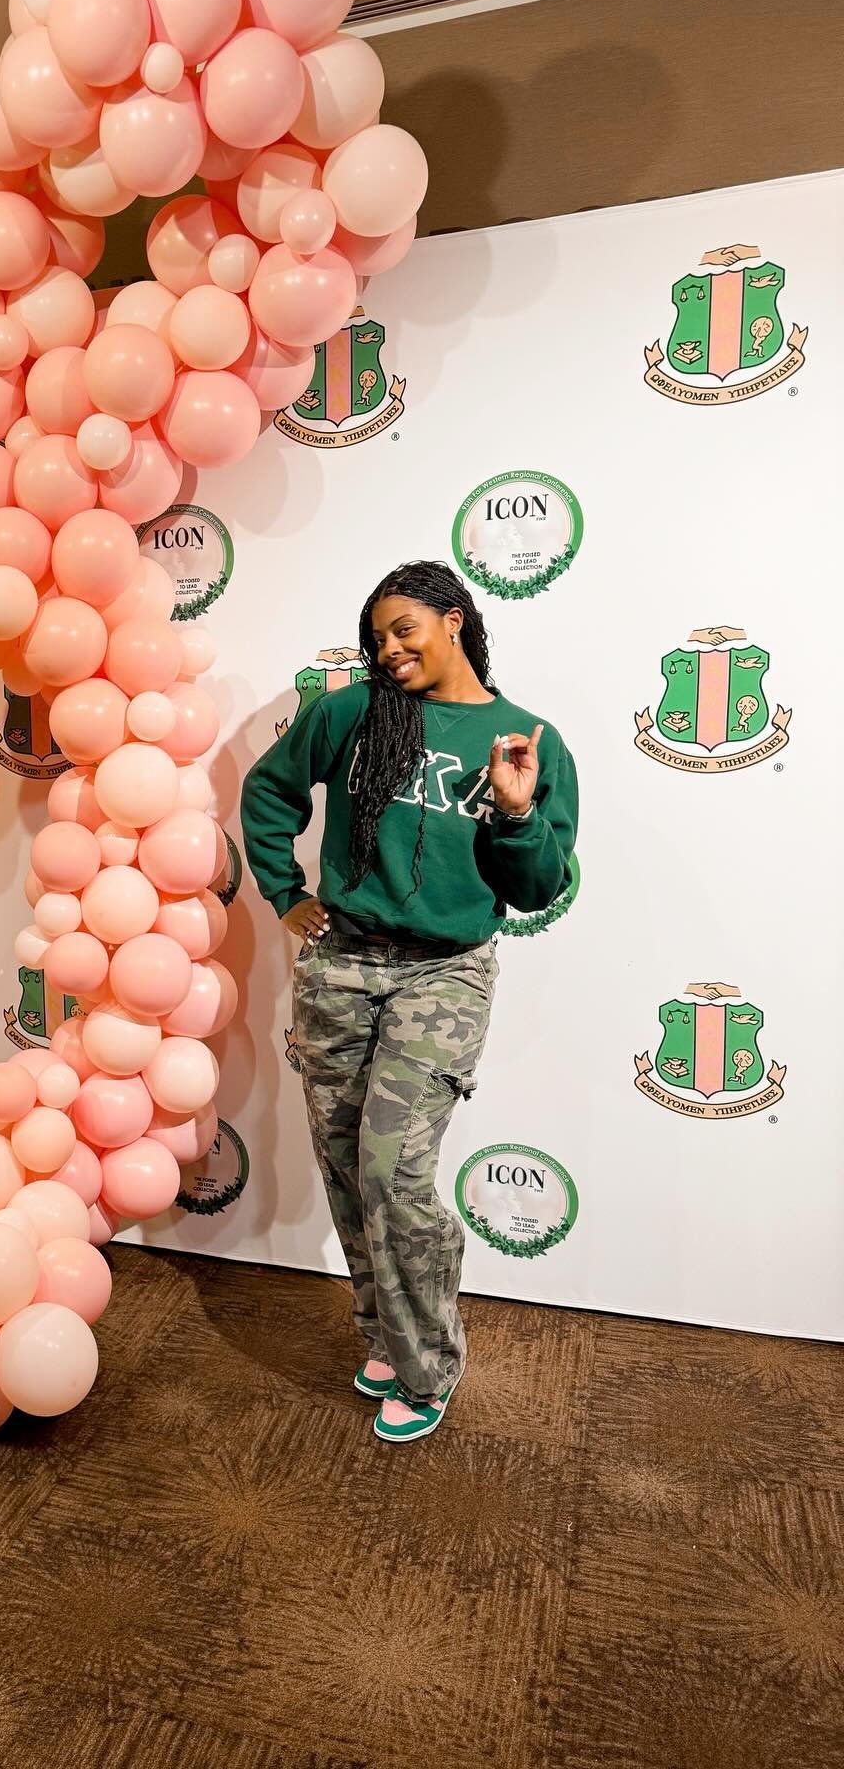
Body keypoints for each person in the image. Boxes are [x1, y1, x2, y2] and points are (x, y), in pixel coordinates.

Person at [241, 561, 579, 1444]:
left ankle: (427, 1364)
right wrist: (285, 893)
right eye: (377, 637)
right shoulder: (350, 713)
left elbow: (540, 886)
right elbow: (269, 790)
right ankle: (383, 1333)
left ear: (455, 620)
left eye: (405, 630)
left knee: (395, 1170)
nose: (388, 650)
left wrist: (514, 815)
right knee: (348, 1163)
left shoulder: (525, 739)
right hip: (342, 962)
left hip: (445, 973)